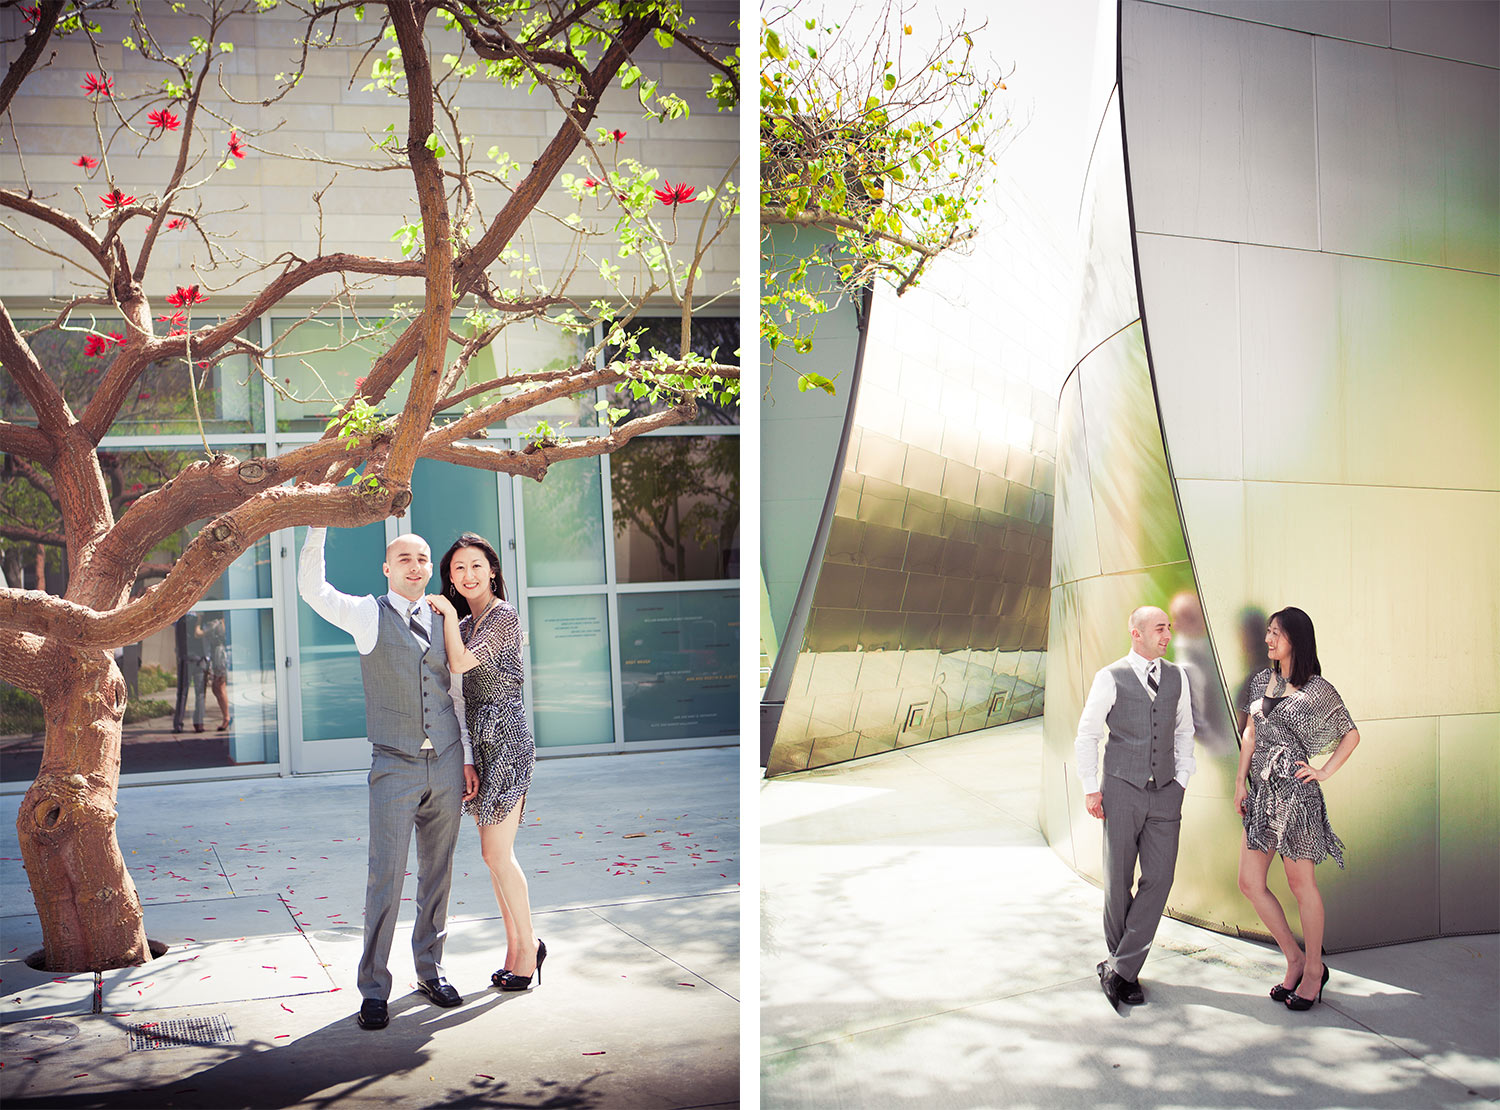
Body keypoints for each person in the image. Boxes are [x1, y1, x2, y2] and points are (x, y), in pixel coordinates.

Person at [298, 526, 480, 1030]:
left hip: (445, 761)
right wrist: (318, 527)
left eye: (423, 558)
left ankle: (430, 970)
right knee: (385, 877)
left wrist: (463, 754)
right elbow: (313, 592)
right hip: (394, 763)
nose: (415, 566)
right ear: (387, 568)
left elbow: (456, 692)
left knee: (437, 874)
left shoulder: (446, 616)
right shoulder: (365, 615)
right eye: (404, 558)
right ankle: (374, 988)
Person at [427, 533, 546, 991]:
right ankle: (518, 950)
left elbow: (458, 666)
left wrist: (449, 614)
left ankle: (528, 949)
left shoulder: (502, 617)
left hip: (509, 743)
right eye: (459, 569)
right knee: (492, 857)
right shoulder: (467, 623)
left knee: (499, 853)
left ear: (493, 570)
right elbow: (456, 696)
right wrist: (467, 757)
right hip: (482, 745)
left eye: (476, 566)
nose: (468, 575)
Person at [1234, 606, 1360, 1011]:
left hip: (1298, 797)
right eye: (1268, 632)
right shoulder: (1260, 681)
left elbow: (1351, 735)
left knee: (1300, 884)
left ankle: (1313, 971)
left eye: (1276, 634)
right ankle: (1294, 958)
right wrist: (1240, 782)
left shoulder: (1317, 689)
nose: (1268, 640)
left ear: (1296, 640)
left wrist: (1323, 771)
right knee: (1250, 882)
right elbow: (1251, 733)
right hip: (1262, 795)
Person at [1074, 605, 1195, 1011]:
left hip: (1165, 792)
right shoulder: (1110, 677)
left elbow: (1184, 731)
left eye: (1168, 628)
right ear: (1137, 633)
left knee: (1159, 878)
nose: (1167, 635)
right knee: (1118, 878)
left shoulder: (1177, 677)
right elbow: (1087, 734)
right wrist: (1092, 789)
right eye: (1160, 628)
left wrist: (1181, 780)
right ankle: (1125, 971)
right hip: (1121, 789)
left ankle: (1118, 969)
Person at [171, 614, 208, 734]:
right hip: (200, 660)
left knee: (182, 692)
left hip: (186, 659)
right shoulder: (200, 620)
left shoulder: (181, 619)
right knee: (200, 693)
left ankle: (178, 724)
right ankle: (199, 723)